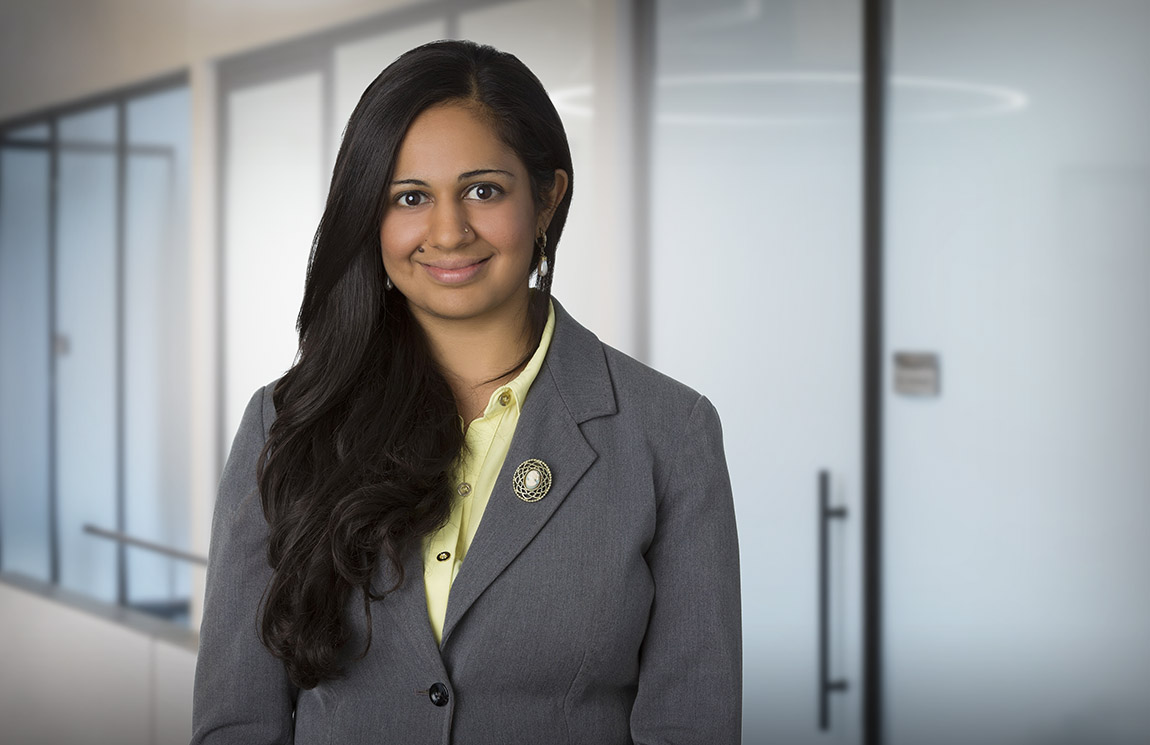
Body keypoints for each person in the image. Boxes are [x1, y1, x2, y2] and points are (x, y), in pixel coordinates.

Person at [192, 39, 740, 745]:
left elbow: (690, 725)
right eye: (410, 197)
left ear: (547, 198)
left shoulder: (670, 431)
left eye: (483, 190)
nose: (448, 231)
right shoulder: (286, 421)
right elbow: (239, 720)